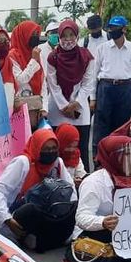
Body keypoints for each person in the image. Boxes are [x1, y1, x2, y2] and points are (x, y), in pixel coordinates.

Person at [0, 129, 76, 245]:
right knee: (30, 210)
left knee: (73, 206)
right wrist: (6, 219)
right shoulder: (23, 162)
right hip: (21, 210)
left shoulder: (57, 163)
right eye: (46, 149)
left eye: (54, 149)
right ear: (37, 147)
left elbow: (70, 190)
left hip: (47, 209)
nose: (51, 152)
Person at [46, 20, 96, 170]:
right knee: (59, 150)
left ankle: (82, 183)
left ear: (77, 35)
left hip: (80, 110)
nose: (68, 39)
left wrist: (76, 103)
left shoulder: (87, 56)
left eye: (71, 35)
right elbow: (52, 85)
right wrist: (64, 106)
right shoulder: (53, 57)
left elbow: (88, 84)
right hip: (57, 109)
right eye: (64, 35)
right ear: (59, 36)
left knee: (81, 150)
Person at [91, 16, 131, 159]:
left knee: (121, 127)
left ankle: (118, 159)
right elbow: (95, 73)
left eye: (115, 28)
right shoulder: (103, 48)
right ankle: (99, 160)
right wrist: (93, 98)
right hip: (106, 87)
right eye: (111, 28)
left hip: (125, 88)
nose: (112, 31)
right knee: (101, 126)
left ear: (124, 29)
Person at [8, 20, 43, 97]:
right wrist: (33, 61)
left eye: (37, 34)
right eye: (32, 34)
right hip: (21, 102)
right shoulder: (12, 55)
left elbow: (42, 79)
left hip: (36, 102)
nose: (35, 37)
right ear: (23, 35)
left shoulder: (34, 53)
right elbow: (20, 80)